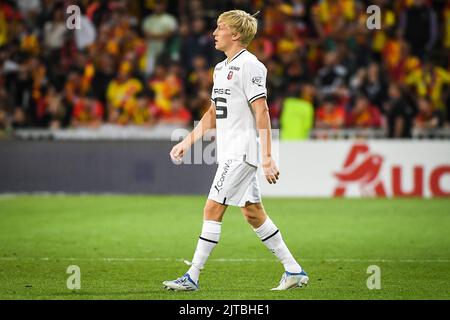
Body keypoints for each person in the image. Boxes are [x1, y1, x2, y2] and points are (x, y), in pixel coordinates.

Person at [163, 10, 308, 291]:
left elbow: (262, 111)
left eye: (220, 28)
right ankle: (294, 271)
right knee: (253, 213)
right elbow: (214, 112)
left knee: (212, 207)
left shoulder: (251, 66)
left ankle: (192, 276)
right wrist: (187, 141)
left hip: (242, 152)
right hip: (229, 151)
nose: (214, 33)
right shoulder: (220, 68)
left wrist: (267, 156)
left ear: (236, 34)